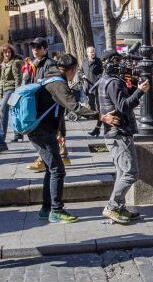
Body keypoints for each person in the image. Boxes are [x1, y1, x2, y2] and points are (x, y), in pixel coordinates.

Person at [29, 54, 117, 223]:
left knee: (51, 169)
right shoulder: (58, 83)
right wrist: (100, 116)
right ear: (72, 69)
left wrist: (59, 133)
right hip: (42, 131)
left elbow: (55, 109)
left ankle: (46, 209)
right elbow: (74, 107)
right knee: (57, 170)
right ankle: (56, 210)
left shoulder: (51, 76)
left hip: (42, 130)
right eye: (75, 70)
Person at [98, 50, 150, 224]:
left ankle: (119, 207)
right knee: (130, 172)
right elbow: (123, 106)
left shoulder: (106, 80)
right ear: (110, 63)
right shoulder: (113, 83)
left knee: (122, 172)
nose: (122, 65)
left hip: (115, 133)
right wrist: (140, 91)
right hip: (119, 133)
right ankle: (112, 206)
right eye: (118, 61)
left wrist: (132, 88)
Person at [27, 38, 72, 171]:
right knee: (50, 134)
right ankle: (60, 157)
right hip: (42, 104)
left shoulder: (50, 64)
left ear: (45, 49)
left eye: (39, 47)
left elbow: (56, 85)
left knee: (49, 134)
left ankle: (47, 160)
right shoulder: (37, 64)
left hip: (51, 106)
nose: (35, 50)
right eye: (34, 47)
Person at [0, 44, 23, 151]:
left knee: (2, 112)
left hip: (11, 90)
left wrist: (17, 93)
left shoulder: (14, 63)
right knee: (10, 113)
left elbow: (18, 79)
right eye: (5, 52)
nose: (7, 54)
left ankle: (1, 141)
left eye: (9, 52)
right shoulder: (3, 64)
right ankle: (17, 133)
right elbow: (1, 80)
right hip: (3, 91)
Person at [79, 46, 103, 111]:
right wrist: (82, 75)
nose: (93, 53)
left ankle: (100, 113)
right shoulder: (84, 61)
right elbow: (80, 71)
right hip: (88, 84)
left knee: (98, 101)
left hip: (97, 84)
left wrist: (98, 78)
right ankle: (93, 113)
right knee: (91, 101)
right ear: (87, 53)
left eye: (94, 51)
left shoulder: (98, 61)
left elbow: (102, 72)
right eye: (91, 52)